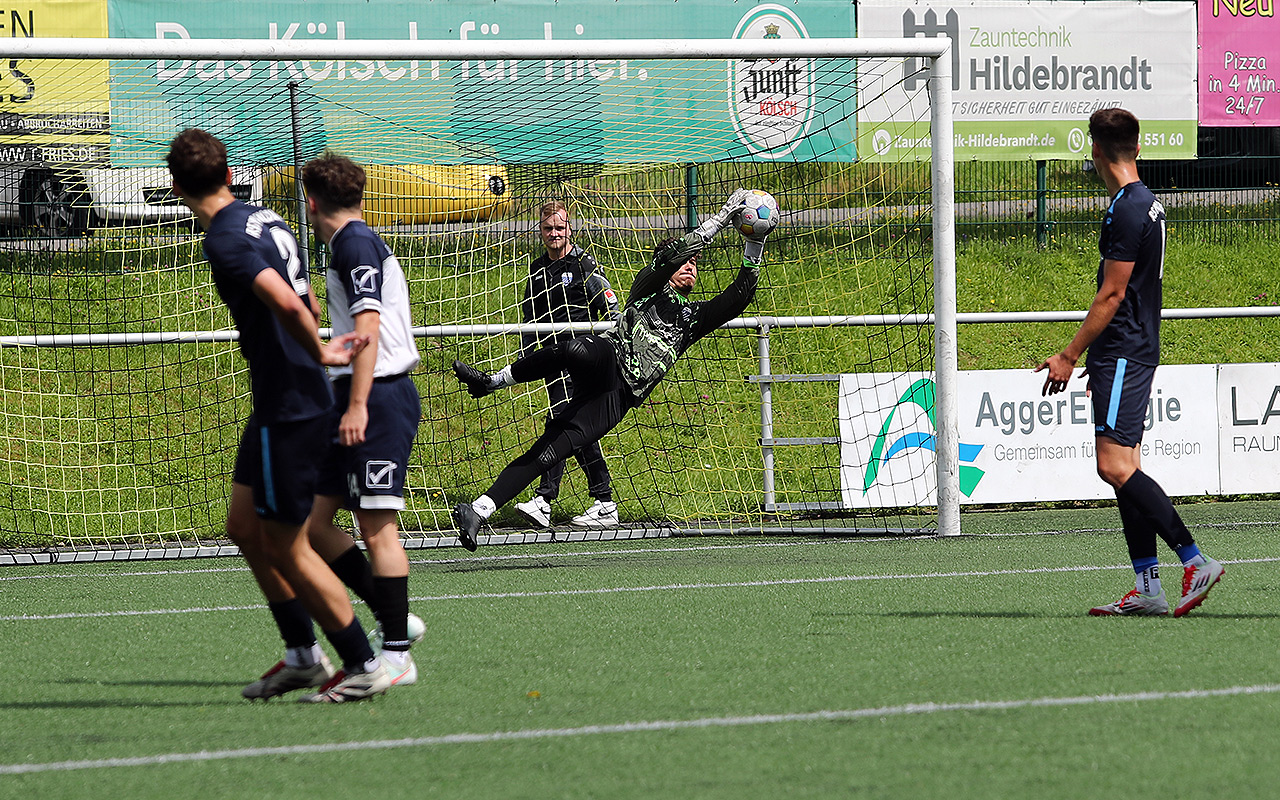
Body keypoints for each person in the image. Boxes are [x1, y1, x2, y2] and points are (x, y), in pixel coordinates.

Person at [167, 128, 390, 703]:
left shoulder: (223, 239)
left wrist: (319, 350)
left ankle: (362, 662)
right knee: (244, 528)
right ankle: (301, 655)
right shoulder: (266, 218)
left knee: (288, 544)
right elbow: (305, 292)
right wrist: (314, 342)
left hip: (291, 403)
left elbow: (289, 302)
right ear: (228, 175)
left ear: (176, 187)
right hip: (280, 396)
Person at [450, 189, 761, 550]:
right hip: (608, 357)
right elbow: (670, 258)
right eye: (684, 261)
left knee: (552, 449)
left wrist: (755, 243)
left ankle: (479, 510)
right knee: (575, 348)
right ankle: (492, 382)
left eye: (695, 263)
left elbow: (738, 296)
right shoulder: (648, 288)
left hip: (619, 396)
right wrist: (718, 221)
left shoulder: (694, 318)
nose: (690, 266)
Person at [1035, 108, 1224, 617]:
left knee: (1113, 465)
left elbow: (1112, 294)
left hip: (1123, 349)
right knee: (1127, 468)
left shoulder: (1126, 208)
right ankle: (1148, 587)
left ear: (1094, 150)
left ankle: (1195, 559)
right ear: (1138, 148)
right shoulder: (1148, 202)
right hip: (1128, 349)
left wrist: (1069, 354)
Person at [297, 152, 423, 687]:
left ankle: (396, 654)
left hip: (379, 396)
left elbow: (368, 327)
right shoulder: (345, 245)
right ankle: (397, 618)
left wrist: (356, 405)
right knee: (311, 523)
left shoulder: (354, 243)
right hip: (351, 393)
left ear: (311, 202)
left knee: (376, 525)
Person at [513, 201, 619, 529]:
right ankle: (604, 502)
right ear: (540, 231)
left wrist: (609, 343)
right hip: (552, 359)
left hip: (582, 357)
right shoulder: (537, 269)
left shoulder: (585, 263)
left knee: (563, 422)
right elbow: (530, 317)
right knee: (574, 428)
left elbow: (610, 306)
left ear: (569, 229)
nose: (554, 234)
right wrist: (527, 356)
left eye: (560, 228)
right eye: (548, 228)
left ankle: (545, 499)